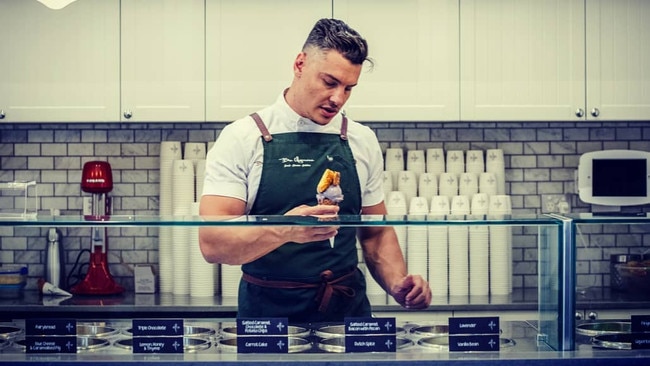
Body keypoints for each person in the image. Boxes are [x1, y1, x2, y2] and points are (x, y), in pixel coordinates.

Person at [199, 18, 431, 323]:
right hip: (269, 316)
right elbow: (213, 243)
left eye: (349, 88)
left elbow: (375, 233)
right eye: (330, 82)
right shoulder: (243, 137)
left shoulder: (361, 139)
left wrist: (398, 283)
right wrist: (287, 230)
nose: (338, 99)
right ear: (299, 64)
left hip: (347, 312)